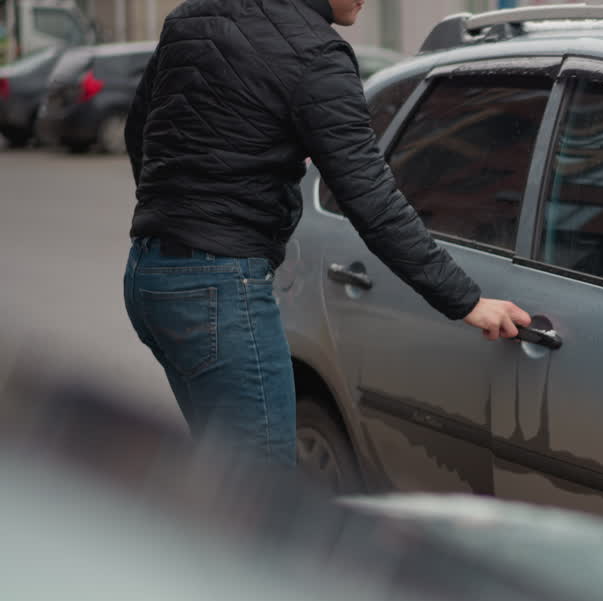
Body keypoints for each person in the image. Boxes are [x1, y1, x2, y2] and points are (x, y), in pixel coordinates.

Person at [122, 0, 531, 470]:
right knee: (262, 494)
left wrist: (174, 216)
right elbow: (371, 198)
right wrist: (467, 302)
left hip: (150, 277)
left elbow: (141, 131)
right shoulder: (316, 54)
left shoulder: (192, 16)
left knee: (225, 478)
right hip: (219, 288)